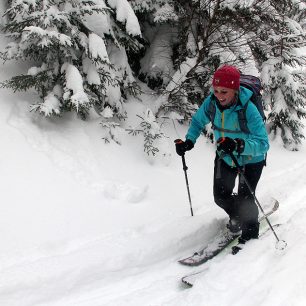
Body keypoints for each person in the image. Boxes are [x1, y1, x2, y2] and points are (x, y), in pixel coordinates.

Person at [175, 65, 269, 253]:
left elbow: (263, 143)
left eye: (224, 91)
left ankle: (250, 237)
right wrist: (189, 141)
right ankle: (237, 217)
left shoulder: (248, 108)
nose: (219, 95)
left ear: (235, 89)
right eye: (216, 90)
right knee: (221, 196)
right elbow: (197, 121)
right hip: (225, 156)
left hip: (251, 159)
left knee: (245, 198)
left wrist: (238, 145)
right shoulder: (211, 104)